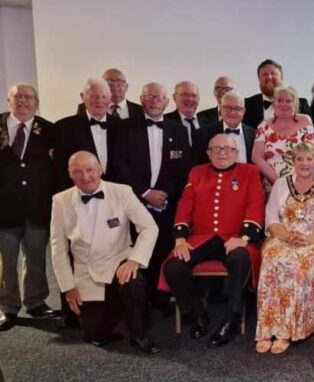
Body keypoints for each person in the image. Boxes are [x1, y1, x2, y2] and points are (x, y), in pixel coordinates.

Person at [160, 134, 265, 348]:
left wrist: (244, 237)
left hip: (235, 238)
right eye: (216, 149)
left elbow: (256, 203)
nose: (222, 153)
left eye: (227, 149)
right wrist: (180, 238)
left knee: (240, 259)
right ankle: (197, 314)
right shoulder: (197, 172)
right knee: (173, 266)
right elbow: (185, 205)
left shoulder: (250, 171)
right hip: (202, 238)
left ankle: (231, 319)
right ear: (208, 153)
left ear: (236, 152)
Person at [50, 151, 160, 354]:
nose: (85, 177)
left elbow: (149, 227)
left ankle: (140, 335)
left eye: (90, 170)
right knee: (94, 333)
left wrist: (134, 260)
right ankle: (113, 306)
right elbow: (58, 249)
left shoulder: (122, 192)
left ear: (100, 169)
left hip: (117, 261)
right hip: (86, 269)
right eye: (77, 172)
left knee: (133, 284)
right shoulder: (60, 200)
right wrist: (68, 287)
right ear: (70, 174)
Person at [255, 143, 314, 354]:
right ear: (293, 162)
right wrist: (286, 236)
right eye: (300, 159)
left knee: (298, 263)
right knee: (272, 257)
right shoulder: (281, 183)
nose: (304, 163)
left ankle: (287, 330)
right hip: (284, 237)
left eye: (308, 159)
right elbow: (271, 217)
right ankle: (267, 328)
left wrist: (311, 238)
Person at [125, 82, 192, 307]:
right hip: (134, 201)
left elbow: (184, 169)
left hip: (167, 203)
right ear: (142, 99)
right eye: (150, 97)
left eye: (159, 98)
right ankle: (139, 299)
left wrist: (165, 195)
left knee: (164, 248)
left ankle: (162, 298)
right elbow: (119, 165)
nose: (155, 101)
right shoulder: (126, 128)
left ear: (167, 102)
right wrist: (145, 193)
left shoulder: (178, 130)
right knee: (138, 250)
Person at [0, 83, 59, 331]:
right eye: (18, 97)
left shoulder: (49, 130)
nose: (23, 101)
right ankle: (7, 307)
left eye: (28, 97)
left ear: (36, 102)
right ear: (8, 100)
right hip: (4, 209)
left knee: (36, 258)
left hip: (37, 207)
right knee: (7, 261)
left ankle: (36, 302)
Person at [53, 78, 130, 192]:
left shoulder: (123, 127)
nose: (99, 101)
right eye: (94, 96)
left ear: (110, 99)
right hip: (79, 194)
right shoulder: (64, 127)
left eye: (104, 97)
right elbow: (60, 169)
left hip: (115, 195)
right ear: (82, 97)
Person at [252, 86, 314, 193]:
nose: (283, 104)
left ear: (295, 103)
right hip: (272, 186)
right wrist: (278, 182)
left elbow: (311, 154)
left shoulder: (305, 121)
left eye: (288, 101)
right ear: (273, 103)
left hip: (302, 183)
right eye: (279, 100)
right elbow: (256, 157)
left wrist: (296, 182)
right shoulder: (263, 125)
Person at [243, 59, 310, 128]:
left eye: (273, 73)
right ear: (259, 80)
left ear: (282, 78)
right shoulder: (246, 105)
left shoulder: (302, 104)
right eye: (265, 74)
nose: (269, 77)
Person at [197, 91, 256, 164]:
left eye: (237, 108)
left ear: (244, 111)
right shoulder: (203, 134)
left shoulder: (254, 134)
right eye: (228, 108)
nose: (232, 112)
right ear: (221, 109)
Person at [165, 81, 215, 164]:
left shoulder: (210, 124)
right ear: (174, 97)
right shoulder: (165, 122)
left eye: (194, 96)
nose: (190, 99)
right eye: (184, 95)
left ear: (198, 99)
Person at [77, 68, 143, 120]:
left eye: (119, 81)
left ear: (126, 87)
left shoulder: (140, 110)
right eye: (109, 81)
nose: (114, 85)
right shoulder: (84, 108)